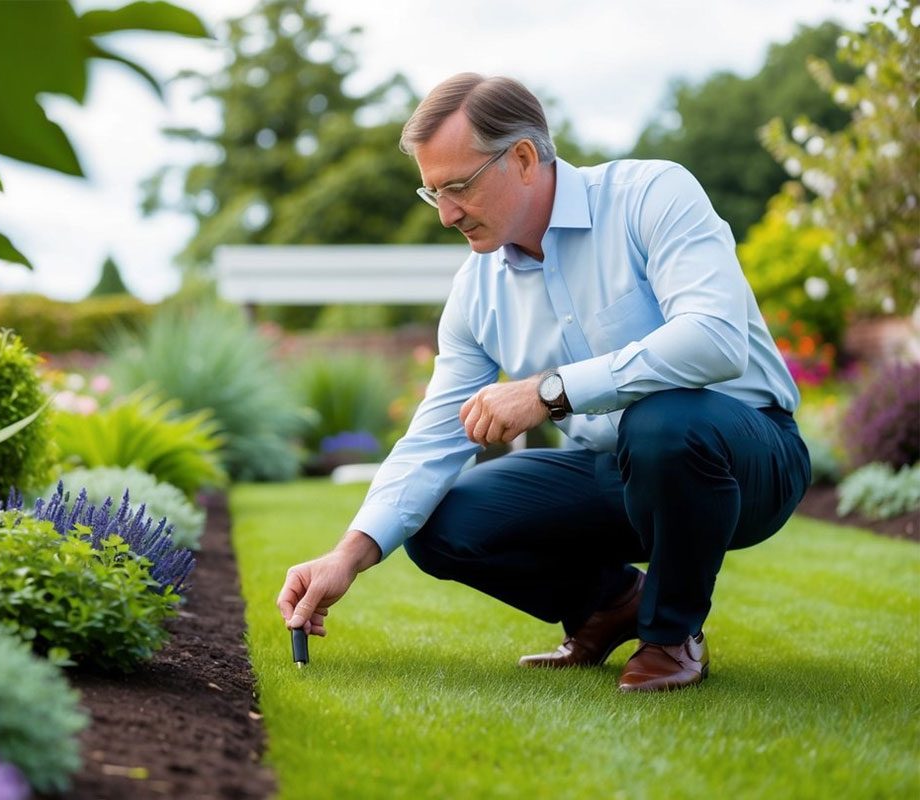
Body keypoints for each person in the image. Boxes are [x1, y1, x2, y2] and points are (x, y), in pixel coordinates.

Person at [275, 73, 811, 693]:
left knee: (663, 422)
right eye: (433, 194)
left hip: (745, 460)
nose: (447, 214)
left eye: (458, 187)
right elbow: (433, 440)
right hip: (613, 472)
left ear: (524, 159)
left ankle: (671, 635)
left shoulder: (652, 195)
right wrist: (347, 554)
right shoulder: (476, 292)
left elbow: (714, 338)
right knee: (437, 522)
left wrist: (548, 391)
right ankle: (609, 605)